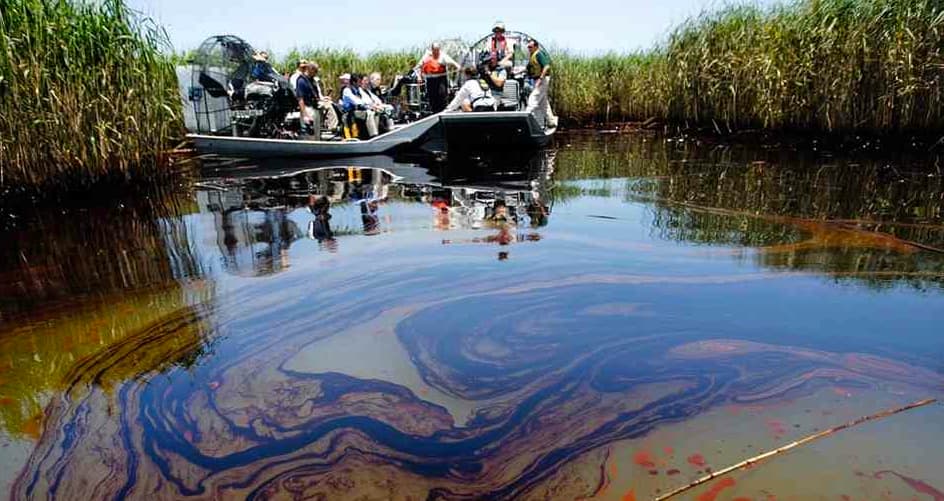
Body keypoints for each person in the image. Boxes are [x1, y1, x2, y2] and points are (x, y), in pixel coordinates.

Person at [414, 42, 460, 113]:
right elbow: (417, 67)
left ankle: (443, 111)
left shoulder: (443, 56)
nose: (436, 52)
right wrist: (419, 77)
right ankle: (434, 111)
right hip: (430, 80)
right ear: (432, 50)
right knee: (432, 97)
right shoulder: (427, 56)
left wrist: (457, 69)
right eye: (434, 50)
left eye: (437, 50)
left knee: (442, 96)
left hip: (440, 79)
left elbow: (455, 64)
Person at [525, 39, 558, 129]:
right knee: (543, 103)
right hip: (537, 80)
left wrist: (540, 78)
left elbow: (546, 66)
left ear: (536, 47)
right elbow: (528, 68)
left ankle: (526, 118)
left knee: (533, 98)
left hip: (542, 80)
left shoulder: (539, 54)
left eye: (530, 47)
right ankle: (551, 122)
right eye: (528, 47)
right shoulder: (532, 55)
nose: (529, 48)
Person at [342, 73, 381, 138]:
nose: (360, 84)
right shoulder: (347, 91)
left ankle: (377, 131)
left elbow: (365, 101)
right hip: (350, 113)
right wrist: (370, 106)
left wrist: (373, 105)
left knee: (376, 112)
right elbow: (357, 102)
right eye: (359, 82)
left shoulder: (358, 90)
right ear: (354, 82)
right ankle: (373, 135)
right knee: (370, 113)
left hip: (358, 111)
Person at [308, 62, 339, 132]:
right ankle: (332, 127)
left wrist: (324, 98)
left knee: (332, 103)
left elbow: (319, 95)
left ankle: (329, 125)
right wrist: (321, 99)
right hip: (312, 102)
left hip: (318, 100)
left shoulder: (315, 84)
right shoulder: (308, 82)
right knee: (328, 106)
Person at [294, 63, 319, 135]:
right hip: (307, 109)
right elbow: (300, 99)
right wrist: (305, 115)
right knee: (308, 134)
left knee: (315, 134)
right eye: (315, 71)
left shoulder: (311, 81)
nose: (316, 73)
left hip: (314, 108)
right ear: (310, 70)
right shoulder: (301, 81)